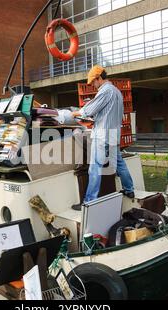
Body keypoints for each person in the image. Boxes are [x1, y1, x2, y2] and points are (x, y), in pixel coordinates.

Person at [71, 65, 134, 210]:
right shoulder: (117, 92)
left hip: (102, 135)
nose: (93, 85)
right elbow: (109, 113)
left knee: (94, 167)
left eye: (93, 82)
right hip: (113, 134)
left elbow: (90, 110)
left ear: (99, 78)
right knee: (119, 163)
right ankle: (129, 190)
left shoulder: (105, 91)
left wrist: (74, 113)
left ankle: (89, 201)